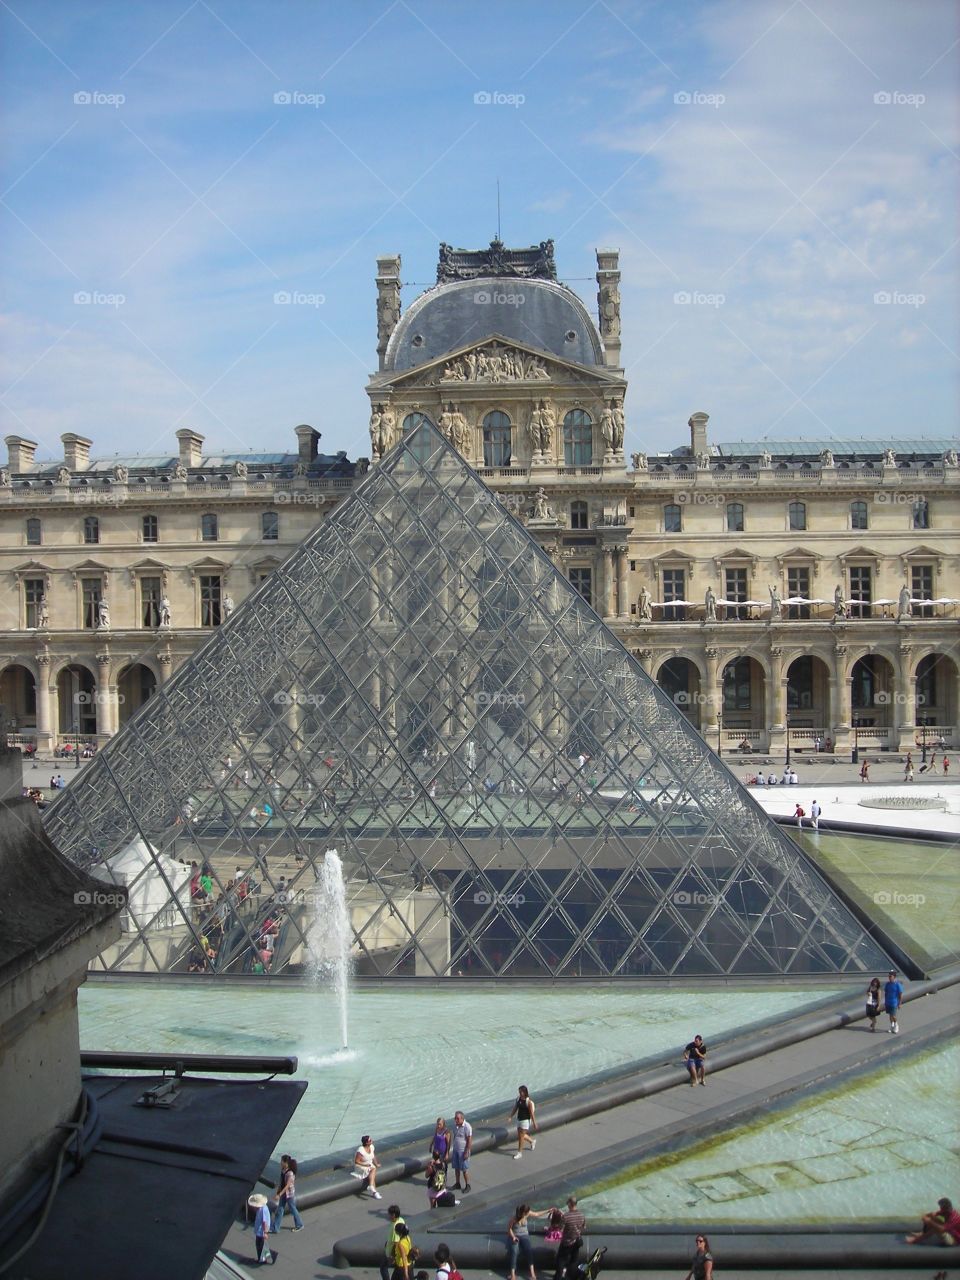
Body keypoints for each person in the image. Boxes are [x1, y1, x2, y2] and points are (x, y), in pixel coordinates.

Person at [507, 1204, 551, 1280]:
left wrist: (548, 1210)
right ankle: (513, 1275)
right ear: (523, 1212)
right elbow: (509, 1229)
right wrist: (513, 1237)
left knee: (529, 1251)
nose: (528, 1213)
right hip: (515, 1236)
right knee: (514, 1252)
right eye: (527, 1212)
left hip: (524, 1235)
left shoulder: (527, 1214)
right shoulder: (514, 1218)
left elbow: (537, 1214)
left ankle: (532, 1274)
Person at [553, 1196, 585, 1280]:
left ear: (570, 1204)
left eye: (568, 1203)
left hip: (567, 1242)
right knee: (574, 1260)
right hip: (577, 1241)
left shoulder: (566, 1216)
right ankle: (571, 1277)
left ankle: (558, 1277)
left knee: (561, 1260)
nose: (567, 1205)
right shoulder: (581, 1215)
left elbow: (560, 1229)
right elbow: (584, 1227)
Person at [271, 1153, 304, 1232]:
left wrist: (279, 1195)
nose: (280, 1162)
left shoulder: (290, 1173)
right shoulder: (283, 1171)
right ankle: (276, 1228)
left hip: (289, 1194)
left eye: (282, 1161)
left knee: (292, 1209)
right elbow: (281, 1182)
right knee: (280, 1209)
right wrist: (278, 1191)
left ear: (286, 1163)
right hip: (283, 1193)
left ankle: (299, 1224)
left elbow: (287, 1186)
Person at [509, 1084, 538, 1159]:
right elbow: (515, 1108)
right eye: (519, 1091)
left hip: (525, 1121)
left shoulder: (528, 1102)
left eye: (521, 1091)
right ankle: (532, 1141)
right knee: (520, 1135)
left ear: (525, 1092)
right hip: (519, 1119)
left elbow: (531, 1113)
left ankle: (519, 1153)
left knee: (521, 1137)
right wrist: (510, 1116)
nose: (519, 1093)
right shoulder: (518, 1099)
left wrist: (534, 1123)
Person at [248, 1192, 273, 1266]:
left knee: (260, 1245)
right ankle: (262, 1258)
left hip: (261, 1231)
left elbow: (264, 1222)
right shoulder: (261, 1208)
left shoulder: (263, 1210)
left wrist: (265, 1232)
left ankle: (262, 1259)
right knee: (260, 1245)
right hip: (260, 1230)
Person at [450, 1110, 473, 1192]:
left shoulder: (467, 1127)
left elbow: (469, 1140)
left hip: (463, 1151)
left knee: (464, 1169)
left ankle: (467, 1185)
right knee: (456, 1168)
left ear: (462, 1118)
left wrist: (467, 1152)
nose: (456, 1120)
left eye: (457, 1119)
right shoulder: (455, 1126)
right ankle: (457, 1183)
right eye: (455, 1118)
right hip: (456, 1150)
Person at [381, 1206, 406, 1280]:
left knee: (383, 1267)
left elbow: (396, 1243)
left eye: (389, 1214)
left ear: (393, 1215)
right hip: (392, 1251)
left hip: (390, 1253)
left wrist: (392, 1256)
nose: (388, 1216)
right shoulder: (401, 1220)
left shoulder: (395, 1227)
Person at [884, 969, 903, 1034]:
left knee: (893, 1015)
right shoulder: (887, 984)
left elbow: (900, 994)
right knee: (890, 1015)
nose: (889, 978)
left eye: (890, 976)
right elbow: (886, 993)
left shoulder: (897, 984)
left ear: (894, 977)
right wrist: (885, 1001)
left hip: (894, 1002)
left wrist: (900, 1003)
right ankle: (892, 1026)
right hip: (888, 1002)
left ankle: (896, 1025)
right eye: (889, 976)